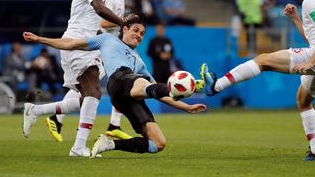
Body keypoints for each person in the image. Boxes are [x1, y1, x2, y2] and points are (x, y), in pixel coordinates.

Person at [201, 0, 315, 161]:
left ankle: (216, 85)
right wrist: (295, 19)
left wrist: (311, 62)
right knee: (303, 101)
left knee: (263, 60)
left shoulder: (311, 1)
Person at [22, 15, 206, 157]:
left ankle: (109, 144)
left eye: (142, 34)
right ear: (124, 29)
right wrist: (40, 39)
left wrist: (186, 107)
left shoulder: (139, 62)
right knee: (146, 85)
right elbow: (70, 43)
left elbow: (158, 92)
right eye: (136, 30)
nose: (139, 35)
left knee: (158, 143)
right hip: (119, 81)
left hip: (129, 96)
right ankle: (184, 87)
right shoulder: (107, 40)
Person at [23, 0, 127, 157]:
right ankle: (78, 147)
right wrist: (123, 23)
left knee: (87, 98)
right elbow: (98, 8)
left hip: (88, 44)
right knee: (94, 94)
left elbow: (95, 20)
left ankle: (36, 111)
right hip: (75, 42)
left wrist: (103, 41)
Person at [100, 0, 132, 139]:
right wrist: (125, 21)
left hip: (112, 48)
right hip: (102, 48)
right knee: (84, 89)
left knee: (124, 81)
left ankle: (115, 124)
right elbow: (103, 23)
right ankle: (55, 115)